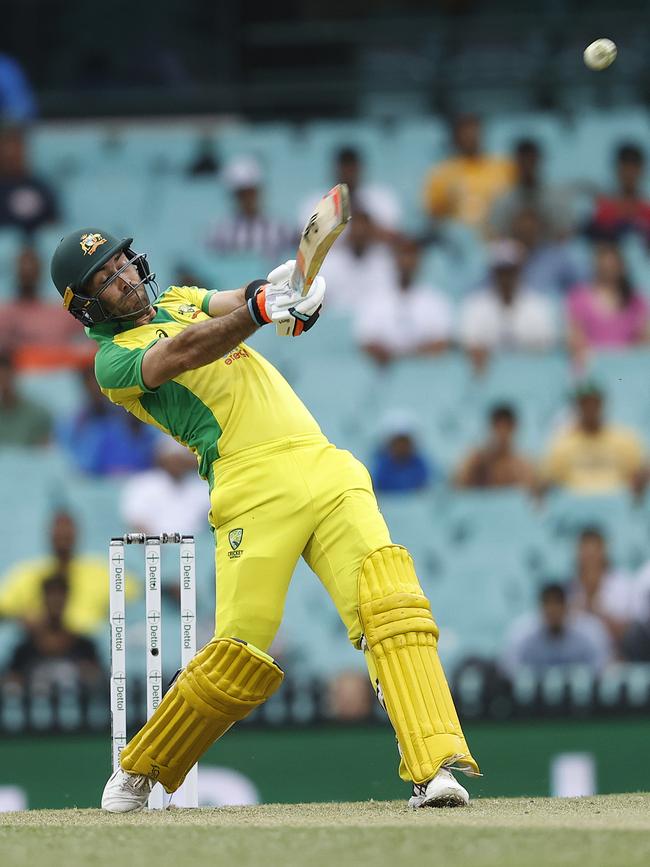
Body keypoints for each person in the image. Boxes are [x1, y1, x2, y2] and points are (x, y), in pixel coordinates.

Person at [50, 225, 479, 811]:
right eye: (106, 279)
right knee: (239, 654)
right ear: (85, 305)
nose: (124, 279)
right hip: (249, 483)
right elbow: (185, 349)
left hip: (323, 461)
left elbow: (230, 301)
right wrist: (259, 309)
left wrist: (288, 294)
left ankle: (434, 770)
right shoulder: (112, 362)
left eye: (123, 264)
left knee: (394, 607)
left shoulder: (173, 297)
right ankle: (141, 771)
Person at [0, 509, 136, 635]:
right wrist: (20, 618)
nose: (63, 534)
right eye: (58, 529)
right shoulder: (25, 574)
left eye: (67, 529)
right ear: (49, 534)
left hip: (89, 646)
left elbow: (139, 602)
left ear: (78, 533)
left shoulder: (104, 572)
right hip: (40, 648)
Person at [458, 240, 558, 371]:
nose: (506, 278)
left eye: (510, 271)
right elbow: (468, 344)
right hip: (488, 377)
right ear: (493, 272)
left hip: (529, 374)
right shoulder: (474, 305)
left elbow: (546, 346)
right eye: (501, 272)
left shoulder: (538, 305)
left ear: (520, 270)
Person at [355, 236, 453, 364]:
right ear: (395, 259)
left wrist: (408, 357)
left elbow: (442, 342)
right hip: (384, 372)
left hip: (423, 372)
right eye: (402, 255)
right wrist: (391, 356)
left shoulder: (436, 301)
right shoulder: (375, 299)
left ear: (419, 261)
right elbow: (365, 341)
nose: (406, 261)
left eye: (411, 256)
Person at [541, 382, 646, 496]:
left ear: (602, 404)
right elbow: (549, 480)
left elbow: (638, 473)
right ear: (577, 407)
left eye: (594, 403)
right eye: (584, 403)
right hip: (575, 505)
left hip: (616, 502)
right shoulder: (561, 443)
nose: (590, 408)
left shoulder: (625, 439)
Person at [3, 572, 103, 689]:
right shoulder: (24, 649)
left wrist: (89, 673)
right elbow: (11, 682)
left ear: (68, 599)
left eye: (60, 595)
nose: (56, 601)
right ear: (43, 598)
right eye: (51, 595)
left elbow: (98, 681)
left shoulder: (84, 646)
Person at [58, 364, 157, 475]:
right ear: (84, 384)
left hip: (137, 482)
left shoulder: (135, 413)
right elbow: (77, 465)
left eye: (101, 380)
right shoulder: (75, 422)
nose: (97, 387)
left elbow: (155, 451)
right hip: (95, 486)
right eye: (91, 380)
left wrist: (135, 427)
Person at [423, 113, 515, 233]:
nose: (470, 137)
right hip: (460, 242)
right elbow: (433, 217)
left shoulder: (504, 166)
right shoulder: (441, 173)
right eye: (465, 133)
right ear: (455, 137)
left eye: (474, 132)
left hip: (500, 237)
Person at [500, 583, 612, 678]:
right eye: (548, 604)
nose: (552, 610)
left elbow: (603, 666)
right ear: (540, 607)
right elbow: (508, 668)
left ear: (566, 607)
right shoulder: (522, 633)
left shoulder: (589, 631)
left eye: (557, 603)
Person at [0, 245, 83, 366]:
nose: (27, 271)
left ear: (40, 272)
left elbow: (91, 331)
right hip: (22, 375)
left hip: (61, 373)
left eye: (32, 268)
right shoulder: (5, 314)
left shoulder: (60, 312)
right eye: (23, 268)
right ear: (16, 272)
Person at [567, 242, 649, 362]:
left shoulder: (636, 301)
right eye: (604, 267)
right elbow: (575, 340)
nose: (609, 271)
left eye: (613, 266)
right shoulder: (579, 299)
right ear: (596, 267)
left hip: (628, 368)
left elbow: (645, 339)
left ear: (621, 268)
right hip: (593, 368)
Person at [299, 145, 402, 238]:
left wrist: (367, 226)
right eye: (344, 167)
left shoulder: (382, 197)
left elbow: (397, 237)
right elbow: (305, 240)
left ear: (360, 168)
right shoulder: (316, 202)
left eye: (351, 167)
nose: (348, 172)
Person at [206, 156, 293, 260]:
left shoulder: (281, 229)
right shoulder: (220, 233)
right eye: (242, 194)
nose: (247, 198)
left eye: (251, 192)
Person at [120, 436, 209, 535]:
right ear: (162, 459)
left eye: (181, 459)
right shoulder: (142, 484)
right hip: (156, 545)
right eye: (173, 458)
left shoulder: (200, 487)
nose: (177, 463)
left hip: (194, 546)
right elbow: (137, 521)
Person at [489, 139, 574, 240]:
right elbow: (497, 233)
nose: (527, 167)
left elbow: (565, 231)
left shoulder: (556, 197)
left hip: (547, 250)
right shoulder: (503, 199)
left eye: (531, 161)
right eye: (523, 162)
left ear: (539, 161)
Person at [319, 206, 394, 313]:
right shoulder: (331, 262)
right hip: (335, 320)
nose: (360, 233)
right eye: (356, 228)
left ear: (371, 232)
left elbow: (386, 301)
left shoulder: (384, 264)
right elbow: (321, 301)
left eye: (364, 229)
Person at [568, 527, 636, 644]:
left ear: (603, 552)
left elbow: (626, 633)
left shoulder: (621, 584)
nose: (590, 559)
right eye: (585, 553)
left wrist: (593, 604)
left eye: (593, 553)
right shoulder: (569, 586)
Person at [453, 404, 535, 490]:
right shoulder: (477, 460)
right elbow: (457, 484)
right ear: (491, 428)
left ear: (514, 429)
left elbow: (531, 490)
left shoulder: (521, 466)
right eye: (499, 428)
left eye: (506, 428)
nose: (502, 434)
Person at [586, 143, 650, 244]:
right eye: (625, 169)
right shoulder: (603, 209)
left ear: (641, 171)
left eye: (633, 169)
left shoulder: (647, 211)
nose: (629, 175)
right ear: (617, 170)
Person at [0, 125, 59, 233]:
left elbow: (53, 226)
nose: (10, 155)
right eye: (5, 149)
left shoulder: (41, 187)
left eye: (16, 149)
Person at [371, 413, 435, 494]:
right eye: (397, 442)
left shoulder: (420, 464)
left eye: (404, 442)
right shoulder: (381, 466)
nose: (401, 446)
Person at [0, 350, 52, 446]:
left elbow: (45, 450)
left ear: (13, 375)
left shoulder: (37, 415)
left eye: (5, 378)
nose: (3, 385)